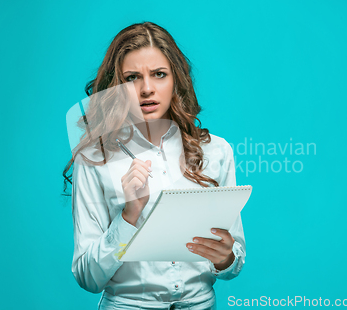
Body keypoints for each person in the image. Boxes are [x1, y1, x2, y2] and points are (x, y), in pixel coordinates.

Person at [63, 22, 246, 310]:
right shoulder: (94, 157)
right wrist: (129, 215)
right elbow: (88, 277)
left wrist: (226, 258)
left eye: (159, 75)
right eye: (132, 77)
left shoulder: (217, 150)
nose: (147, 89)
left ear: (176, 79)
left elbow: (234, 259)